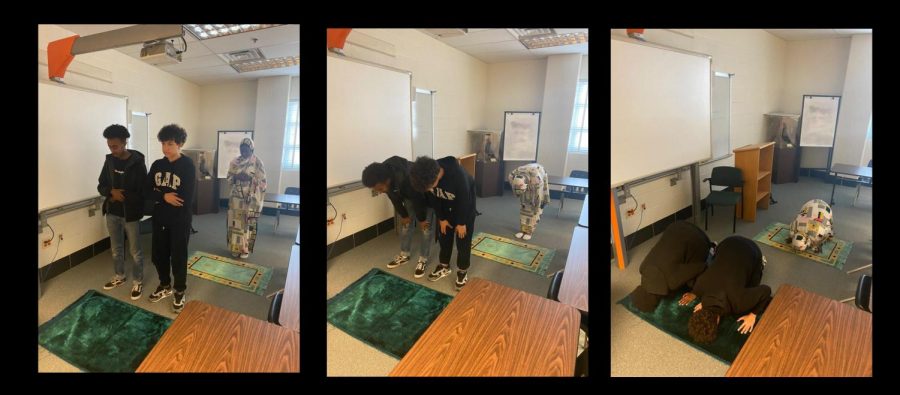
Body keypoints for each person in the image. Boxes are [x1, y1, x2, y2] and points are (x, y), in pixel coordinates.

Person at [682, 235, 771, 344]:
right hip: (728, 241)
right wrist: (704, 301)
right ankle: (714, 248)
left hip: (752, 250)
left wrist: (753, 315)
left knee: (752, 285)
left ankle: (761, 263)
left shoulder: (739, 303)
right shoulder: (699, 287)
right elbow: (705, 293)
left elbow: (766, 291)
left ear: (718, 321)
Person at [145, 124, 195, 313]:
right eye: (163, 144)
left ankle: (180, 290)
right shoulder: (157, 165)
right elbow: (146, 190)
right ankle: (165, 285)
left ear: (180, 144)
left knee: (178, 256)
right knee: (159, 255)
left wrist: (160, 193)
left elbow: (185, 198)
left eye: (170, 144)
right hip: (159, 219)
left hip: (180, 220)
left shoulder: (188, 165)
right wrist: (163, 196)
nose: (166, 148)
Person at [409, 156, 477, 290]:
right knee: (444, 238)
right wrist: (442, 218)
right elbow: (434, 199)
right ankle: (444, 267)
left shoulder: (458, 175)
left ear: (436, 176)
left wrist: (462, 223)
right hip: (446, 210)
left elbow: (465, 200)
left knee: (463, 242)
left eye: (429, 187)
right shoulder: (429, 177)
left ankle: (462, 270)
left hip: (464, 211)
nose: (429, 189)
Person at [362, 156, 435, 278]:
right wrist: (404, 215)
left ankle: (423, 258)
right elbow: (392, 196)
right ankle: (405, 254)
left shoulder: (407, 178)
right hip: (408, 194)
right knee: (406, 225)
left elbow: (418, 199)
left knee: (426, 228)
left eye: (380, 188)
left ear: (386, 180)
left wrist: (421, 220)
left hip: (425, 195)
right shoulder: (384, 175)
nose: (380, 191)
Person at [97, 124, 148, 300]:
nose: (113, 150)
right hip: (112, 212)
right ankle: (119, 276)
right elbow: (101, 185)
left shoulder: (137, 163)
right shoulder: (109, 160)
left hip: (130, 214)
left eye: (115, 146)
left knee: (135, 251)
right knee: (116, 249)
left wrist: (123, 196)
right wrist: (111, 192)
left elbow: (144, 191)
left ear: (125, 142)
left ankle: (138, 280)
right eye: (110, 146)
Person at [629, 221, 715, 312]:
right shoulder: (643, 267)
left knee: (691, 283)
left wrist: (695, 292)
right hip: (676, 225)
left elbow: (700, 267)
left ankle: (712, 249)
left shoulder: (672, 281)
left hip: (700, 239)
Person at [226, 138, 267, 259]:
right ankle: (235, 248)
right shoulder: (234, 162)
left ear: (252, 149)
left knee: (247, 225)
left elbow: (263, 182)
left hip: (251, 200)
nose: (244, 152)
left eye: (246, 150)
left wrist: (249, 178)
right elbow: (228, 178)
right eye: (242, 150)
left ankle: (245, 249)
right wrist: (236, 176)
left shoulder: (258, 162)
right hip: (236, 200)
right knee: (235, 224)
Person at [507, 163, 550, 240]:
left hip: (539, 175)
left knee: (533, 211)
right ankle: (522, 230)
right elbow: (512, 180)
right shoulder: (513, 174)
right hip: (527, 184)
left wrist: (537, 206)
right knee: (524, 208)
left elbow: (538, 196)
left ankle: (529, 232)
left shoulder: (536, 179)